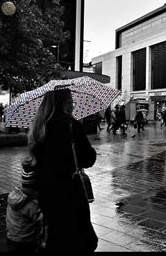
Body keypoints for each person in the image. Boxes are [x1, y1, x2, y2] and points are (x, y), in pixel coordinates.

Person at [28, 88, 98, 251]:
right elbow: (88, 159)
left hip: (47, 192)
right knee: (81, 240)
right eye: (69, 102)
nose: (72, 106)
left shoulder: (39, 126)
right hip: (69, 191)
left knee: (57, 236)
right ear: (61, 104)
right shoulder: (71, 125)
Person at [6, 157, 44, 252]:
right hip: (26, 242)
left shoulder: (14, 196)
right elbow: (43, 221)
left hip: (11, 238)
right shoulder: (32, 206)